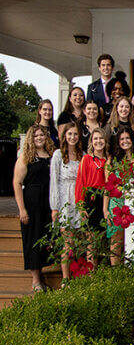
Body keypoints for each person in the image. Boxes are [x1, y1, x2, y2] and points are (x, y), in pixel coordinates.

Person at [13, 125, 53, 292]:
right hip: (32, 204)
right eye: (35, 135)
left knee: (46, 239)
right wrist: (22, 209)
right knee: (33, 240)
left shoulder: (52, 155)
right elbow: (17, 183)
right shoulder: (26, 157)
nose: (39, 138)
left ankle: (43, 276)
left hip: (48, 204)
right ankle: (35, 281)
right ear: (31, 138)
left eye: (41, 135)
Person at [105, 128, 134, 263]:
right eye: (122, 139)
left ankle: (133, 272)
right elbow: (107, 187)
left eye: (127, 138)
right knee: (116, 239)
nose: (125, 141)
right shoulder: (112, 161)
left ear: (132, 140)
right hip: (116, 203)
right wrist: (105, 209)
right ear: (118, 142)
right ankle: (116, 274)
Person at [50, 124, 81, 281]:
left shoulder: (82, 154)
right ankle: (65, 279)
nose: (73, 137)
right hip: (64, 200)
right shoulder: (58, 155)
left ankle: (78, 276)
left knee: (79, 242)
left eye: (75, 134)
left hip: (78, 199)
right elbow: (54, 181)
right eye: (70, 134)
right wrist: (55, 207)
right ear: (65, 136)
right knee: (67, 243)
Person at [74, 130, 108, 265]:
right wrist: (81, 206)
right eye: (95, 139)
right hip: (91, 198)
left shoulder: (109, 160)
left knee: (103, 238)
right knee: (91, 240)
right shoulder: (86, 159)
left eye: (101, 138)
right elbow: (80, 182)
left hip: (105, 198)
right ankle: (91, 273)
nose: (98, 141)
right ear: (91, 142)